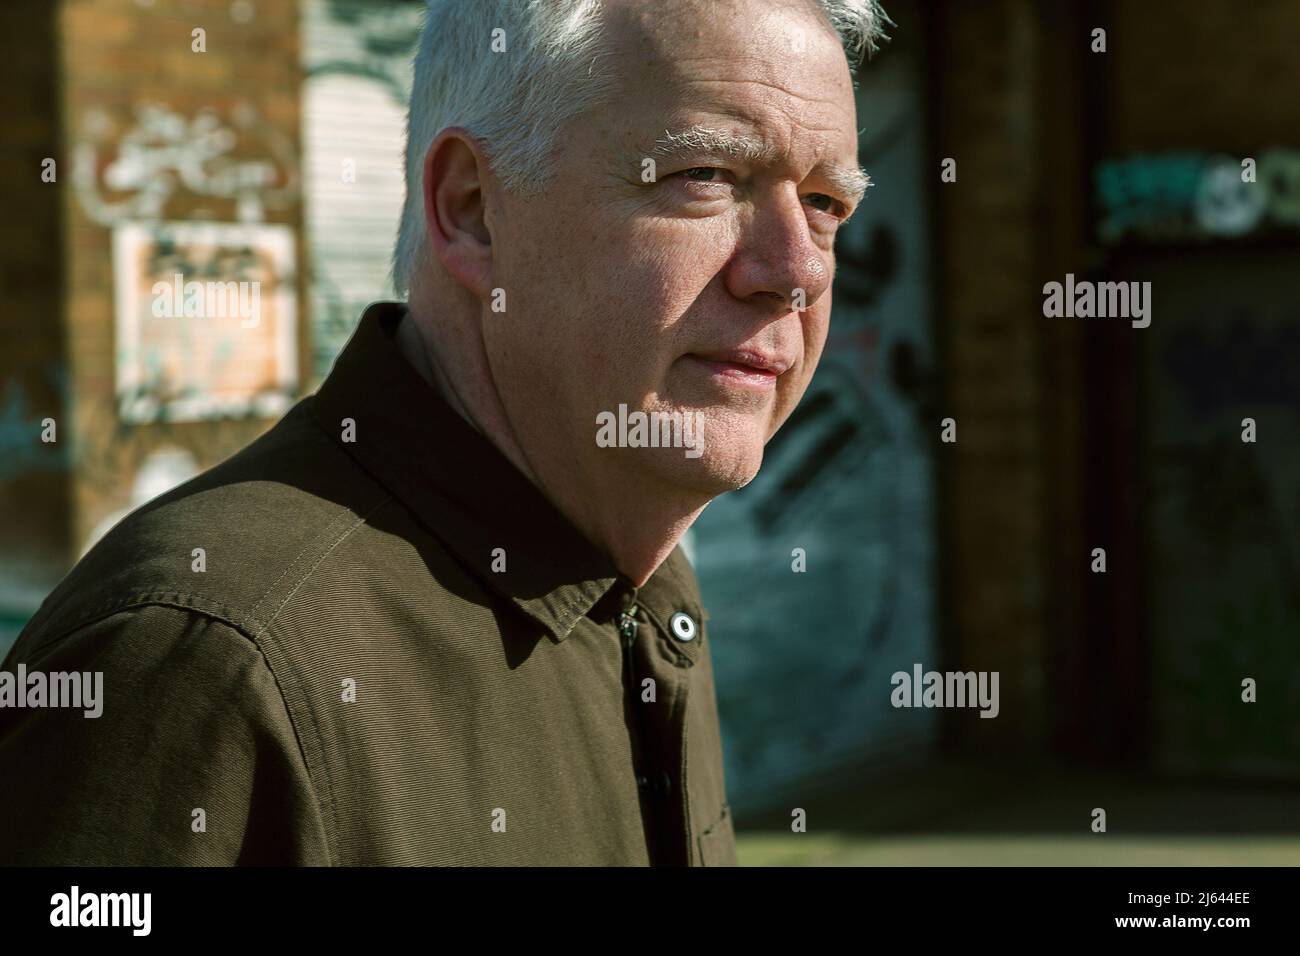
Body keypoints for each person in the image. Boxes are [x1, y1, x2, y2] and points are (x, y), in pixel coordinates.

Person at [0, 0, 884, 866]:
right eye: (708, 177)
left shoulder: (631, 573)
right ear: (470, 209)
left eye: (825, 204)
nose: (797, 272)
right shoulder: (208, 665)